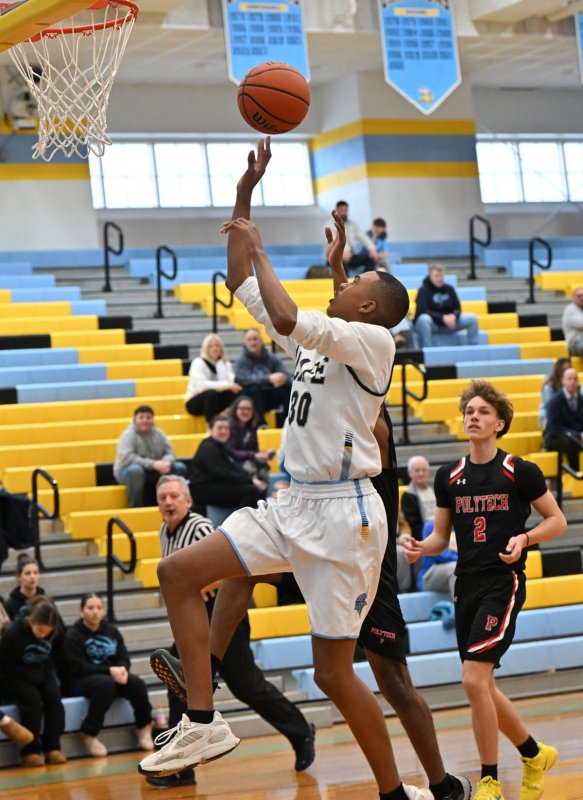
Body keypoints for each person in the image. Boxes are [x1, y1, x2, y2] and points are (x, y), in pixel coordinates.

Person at [138, 137, 434, 800]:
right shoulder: (322, 342)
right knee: (177, 573)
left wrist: (264, 247)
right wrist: (245, 195)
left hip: (345, 518)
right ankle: (201, 720)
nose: (343, 284)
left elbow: (282, 308)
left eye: (353, 283)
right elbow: (240, 282)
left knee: (334, 675)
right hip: (293, 500)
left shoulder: (376, 342)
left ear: (366, 308)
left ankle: (394, 792)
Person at [405, 379, 567, 800]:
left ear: (500, 423)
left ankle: (490, 779)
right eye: (468, 412)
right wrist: (422, 548)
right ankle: (534, 754)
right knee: (483, 686)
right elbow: (441, 538)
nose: (472, 417)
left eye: (482, 412)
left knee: (473, 680)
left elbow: (557, 521)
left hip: (503, 582)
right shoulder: (449, 476)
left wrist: (525, 538)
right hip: (467, 584)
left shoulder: (519, 470)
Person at [145, 475, 316, 789]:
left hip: (222, 613)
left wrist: (184, 584)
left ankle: (301, 731)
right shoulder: (164, 531)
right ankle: (181, 766)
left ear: (188, 500)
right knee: (179, 683)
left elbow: (225, 572)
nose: (168, 502)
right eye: (163, 498)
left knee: (246, 685)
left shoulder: (200, 527)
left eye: (174, 496)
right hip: (194, 618)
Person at [63, 593, 154, 758]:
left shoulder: (112, 631)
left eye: (99, 608)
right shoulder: (73, 635)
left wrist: (123, 670)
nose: (95, 612)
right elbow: (79, 667)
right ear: (81, 611)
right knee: (106, 685)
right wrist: (109, 671)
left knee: (137, 684)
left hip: (111, 675)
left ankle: (144, 727)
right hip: (81, 680)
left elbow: (123, 657)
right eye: (90, 608)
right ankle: (89, 733)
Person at [0, 596, 67, 766]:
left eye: (47, 631)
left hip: (42, 668)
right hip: (15, 673)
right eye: (40, 629)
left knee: (54, 697)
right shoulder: (13, 633)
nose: (42, 634)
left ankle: (53, 747)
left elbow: (58, 656)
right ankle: (31, 750)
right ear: (32, 621)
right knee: (32, 701)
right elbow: (4, 664)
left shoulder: (57, 632)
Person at [113, 405, 188, 507]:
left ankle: (176, 504)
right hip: (127, 472)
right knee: (135, 470)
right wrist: (153, 464)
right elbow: (128, 457)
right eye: (141, 417)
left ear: (153, 419)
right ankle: (135, 507)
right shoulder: (128, 435)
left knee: (179, 467)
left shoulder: (159, 433)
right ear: (135, 419)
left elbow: (170, 453)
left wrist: (166, 462)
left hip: (155, 470)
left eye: (148, 417)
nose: (145, 420)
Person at [190, 415, 266, 512]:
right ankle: (237, 521)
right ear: (211, 429)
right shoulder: (208, 447)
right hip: (202, 489)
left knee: (256, 489)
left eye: (226, 428)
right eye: (220, 428)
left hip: (213, 485)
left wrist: (250, 479)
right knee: (252, 491)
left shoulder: (219, 445)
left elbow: (231, 468)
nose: (223, 431)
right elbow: (222, 474)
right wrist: (250, 481)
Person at [235, 327, 292, 426]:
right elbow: (244, 379)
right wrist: (268, 379)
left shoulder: (271, 357)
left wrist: (282, 378)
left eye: (255, 339)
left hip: (269, 395)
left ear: (261, 340)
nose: (253, 342)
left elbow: (286, 374)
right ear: (245, 343)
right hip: (251, 399)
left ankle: (288, 421)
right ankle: (261, 424)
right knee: (254, 389)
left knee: (287, 387)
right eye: (249, 340)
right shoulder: (241, 360)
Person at [414, 265, 479, 349]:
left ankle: (474, 348)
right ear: (430, 277)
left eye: (441, 276)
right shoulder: (423, 290)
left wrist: (454, 316)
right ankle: (427, 350)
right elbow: (421, 311)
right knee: (423, 319)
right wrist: (442, 317)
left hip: (450, 324)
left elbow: (458, 308)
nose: (439, 279)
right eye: (436, 276)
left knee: (472, 318)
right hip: (433, 325)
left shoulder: (449, 289)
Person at [184, 334, 242, 424]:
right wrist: (226, 385)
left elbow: (228, 383)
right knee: (211, 394)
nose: (215, 349)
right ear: (205, 349)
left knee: (236, 393)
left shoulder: (225, 363)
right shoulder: (198, 362)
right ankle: (211, 427)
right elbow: (202, 386)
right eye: (211, 346)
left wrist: (220, 363)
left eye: (217, 346)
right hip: (195, 401)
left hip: (216, 400)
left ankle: (233, 424)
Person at [225, 394, 276, 482]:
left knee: (264, 467)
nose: (246, 411)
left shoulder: (251, 426)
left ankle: (263, 490)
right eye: (242, 408)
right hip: (229, 461)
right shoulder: (228, 424)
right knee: (249, 467)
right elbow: (231, 451)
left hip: (244, 459)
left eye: (249, 409)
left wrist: (264, 454)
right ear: (235, 409)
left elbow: (254, 449)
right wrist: (254, 455)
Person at [543, 365, 583, 470]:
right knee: (571, 443)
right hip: (555, 438)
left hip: (576, 436)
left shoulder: (581, 399)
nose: (572, 382)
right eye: (569, 379)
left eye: (575, 379)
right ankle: (576, 474)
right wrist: (578, 435)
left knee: (574, 442)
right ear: (563, 381)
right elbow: (555, 429)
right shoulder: (554, 402)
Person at [334, 200, 381, 275]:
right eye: (341, 211)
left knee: (370, 258)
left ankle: (365, 280)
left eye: (345, 211)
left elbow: (363, 237)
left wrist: (372, 249)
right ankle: (345, 282)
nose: (344, 213)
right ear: (336, 210)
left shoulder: (353, 224)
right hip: (336, 257)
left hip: (351, 256)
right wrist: (343, 251)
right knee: (342, 260)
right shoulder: (330, 225)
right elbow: (333, 241)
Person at [401, 456, 437, 542]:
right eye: (417, 470)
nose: (421, 474)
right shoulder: (408, 496)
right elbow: (413, 526)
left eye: (424, 470)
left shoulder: (434, 490)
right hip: (423, 537)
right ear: (409, 473)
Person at [538, 357, 571, 429]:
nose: (567, 372)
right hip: (548, 415)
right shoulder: (549, 385)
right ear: (559, 370)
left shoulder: (572, 383)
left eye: (569, 369)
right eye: (564, 370)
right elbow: (550, 407)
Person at [561, 286, 583, 357]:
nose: (582, 298)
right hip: (575, 343)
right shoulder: (570, 310)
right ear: (573, 298)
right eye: (579, 296)